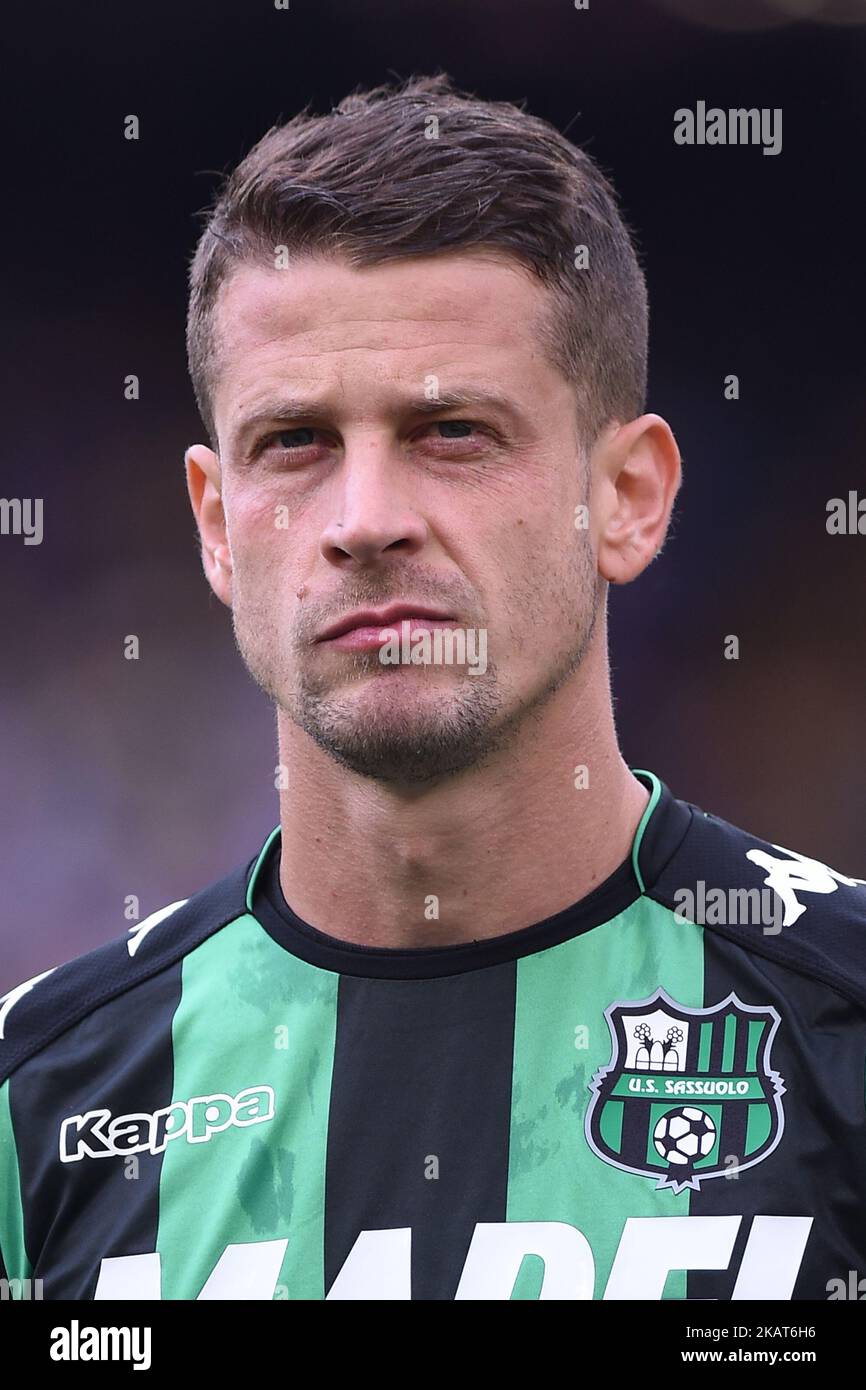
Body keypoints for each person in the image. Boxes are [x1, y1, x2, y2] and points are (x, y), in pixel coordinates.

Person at [1, 74, 864, 1302]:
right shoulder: (36, 1101)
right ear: (216, 525)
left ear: (626, 498)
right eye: (294, 442)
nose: (364, 520)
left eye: (452, 431)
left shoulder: (841, 1027)